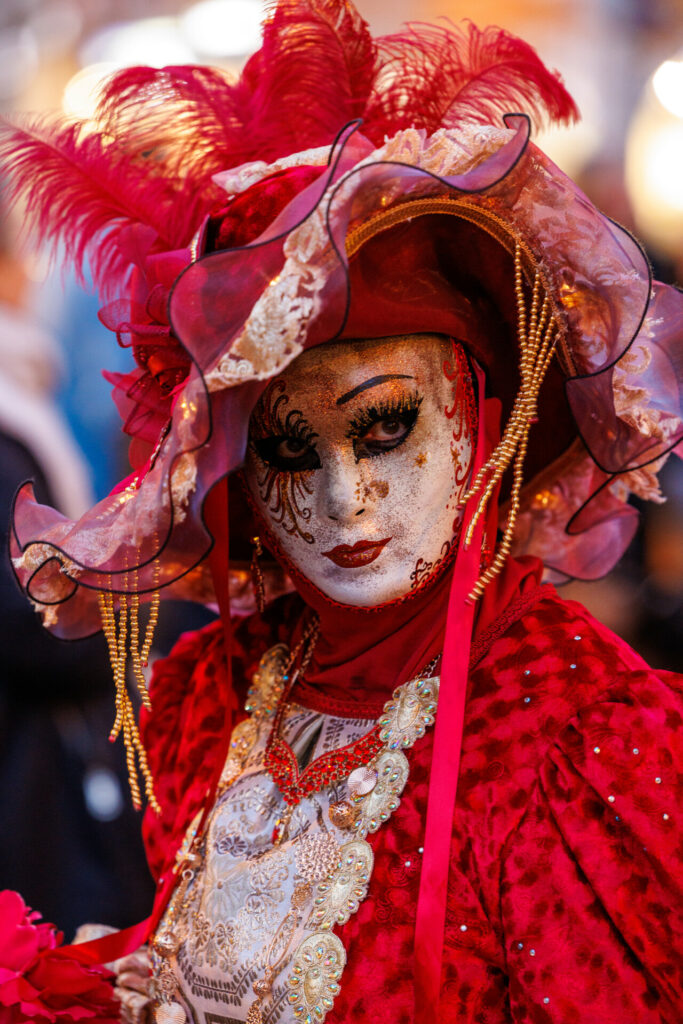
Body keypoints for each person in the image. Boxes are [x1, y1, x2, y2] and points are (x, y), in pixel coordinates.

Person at [1, 2, 681, 1022]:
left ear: (477, 413)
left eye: (383, 426)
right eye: (284, 447)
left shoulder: (576, 737)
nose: (340, 496)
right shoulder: (213, 694)